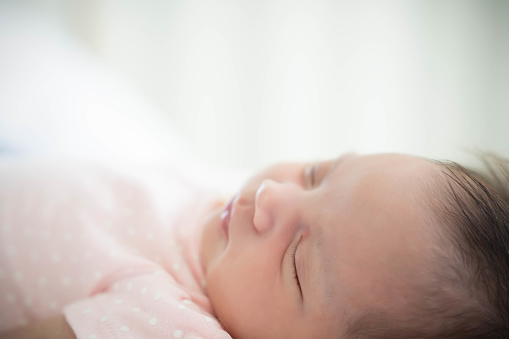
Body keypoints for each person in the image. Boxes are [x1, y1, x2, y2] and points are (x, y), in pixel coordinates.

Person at [0, 153, 508, 338]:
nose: (272, 196)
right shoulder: (233, 219)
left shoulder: (176, 324)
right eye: (318, 173)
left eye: (296, 261)